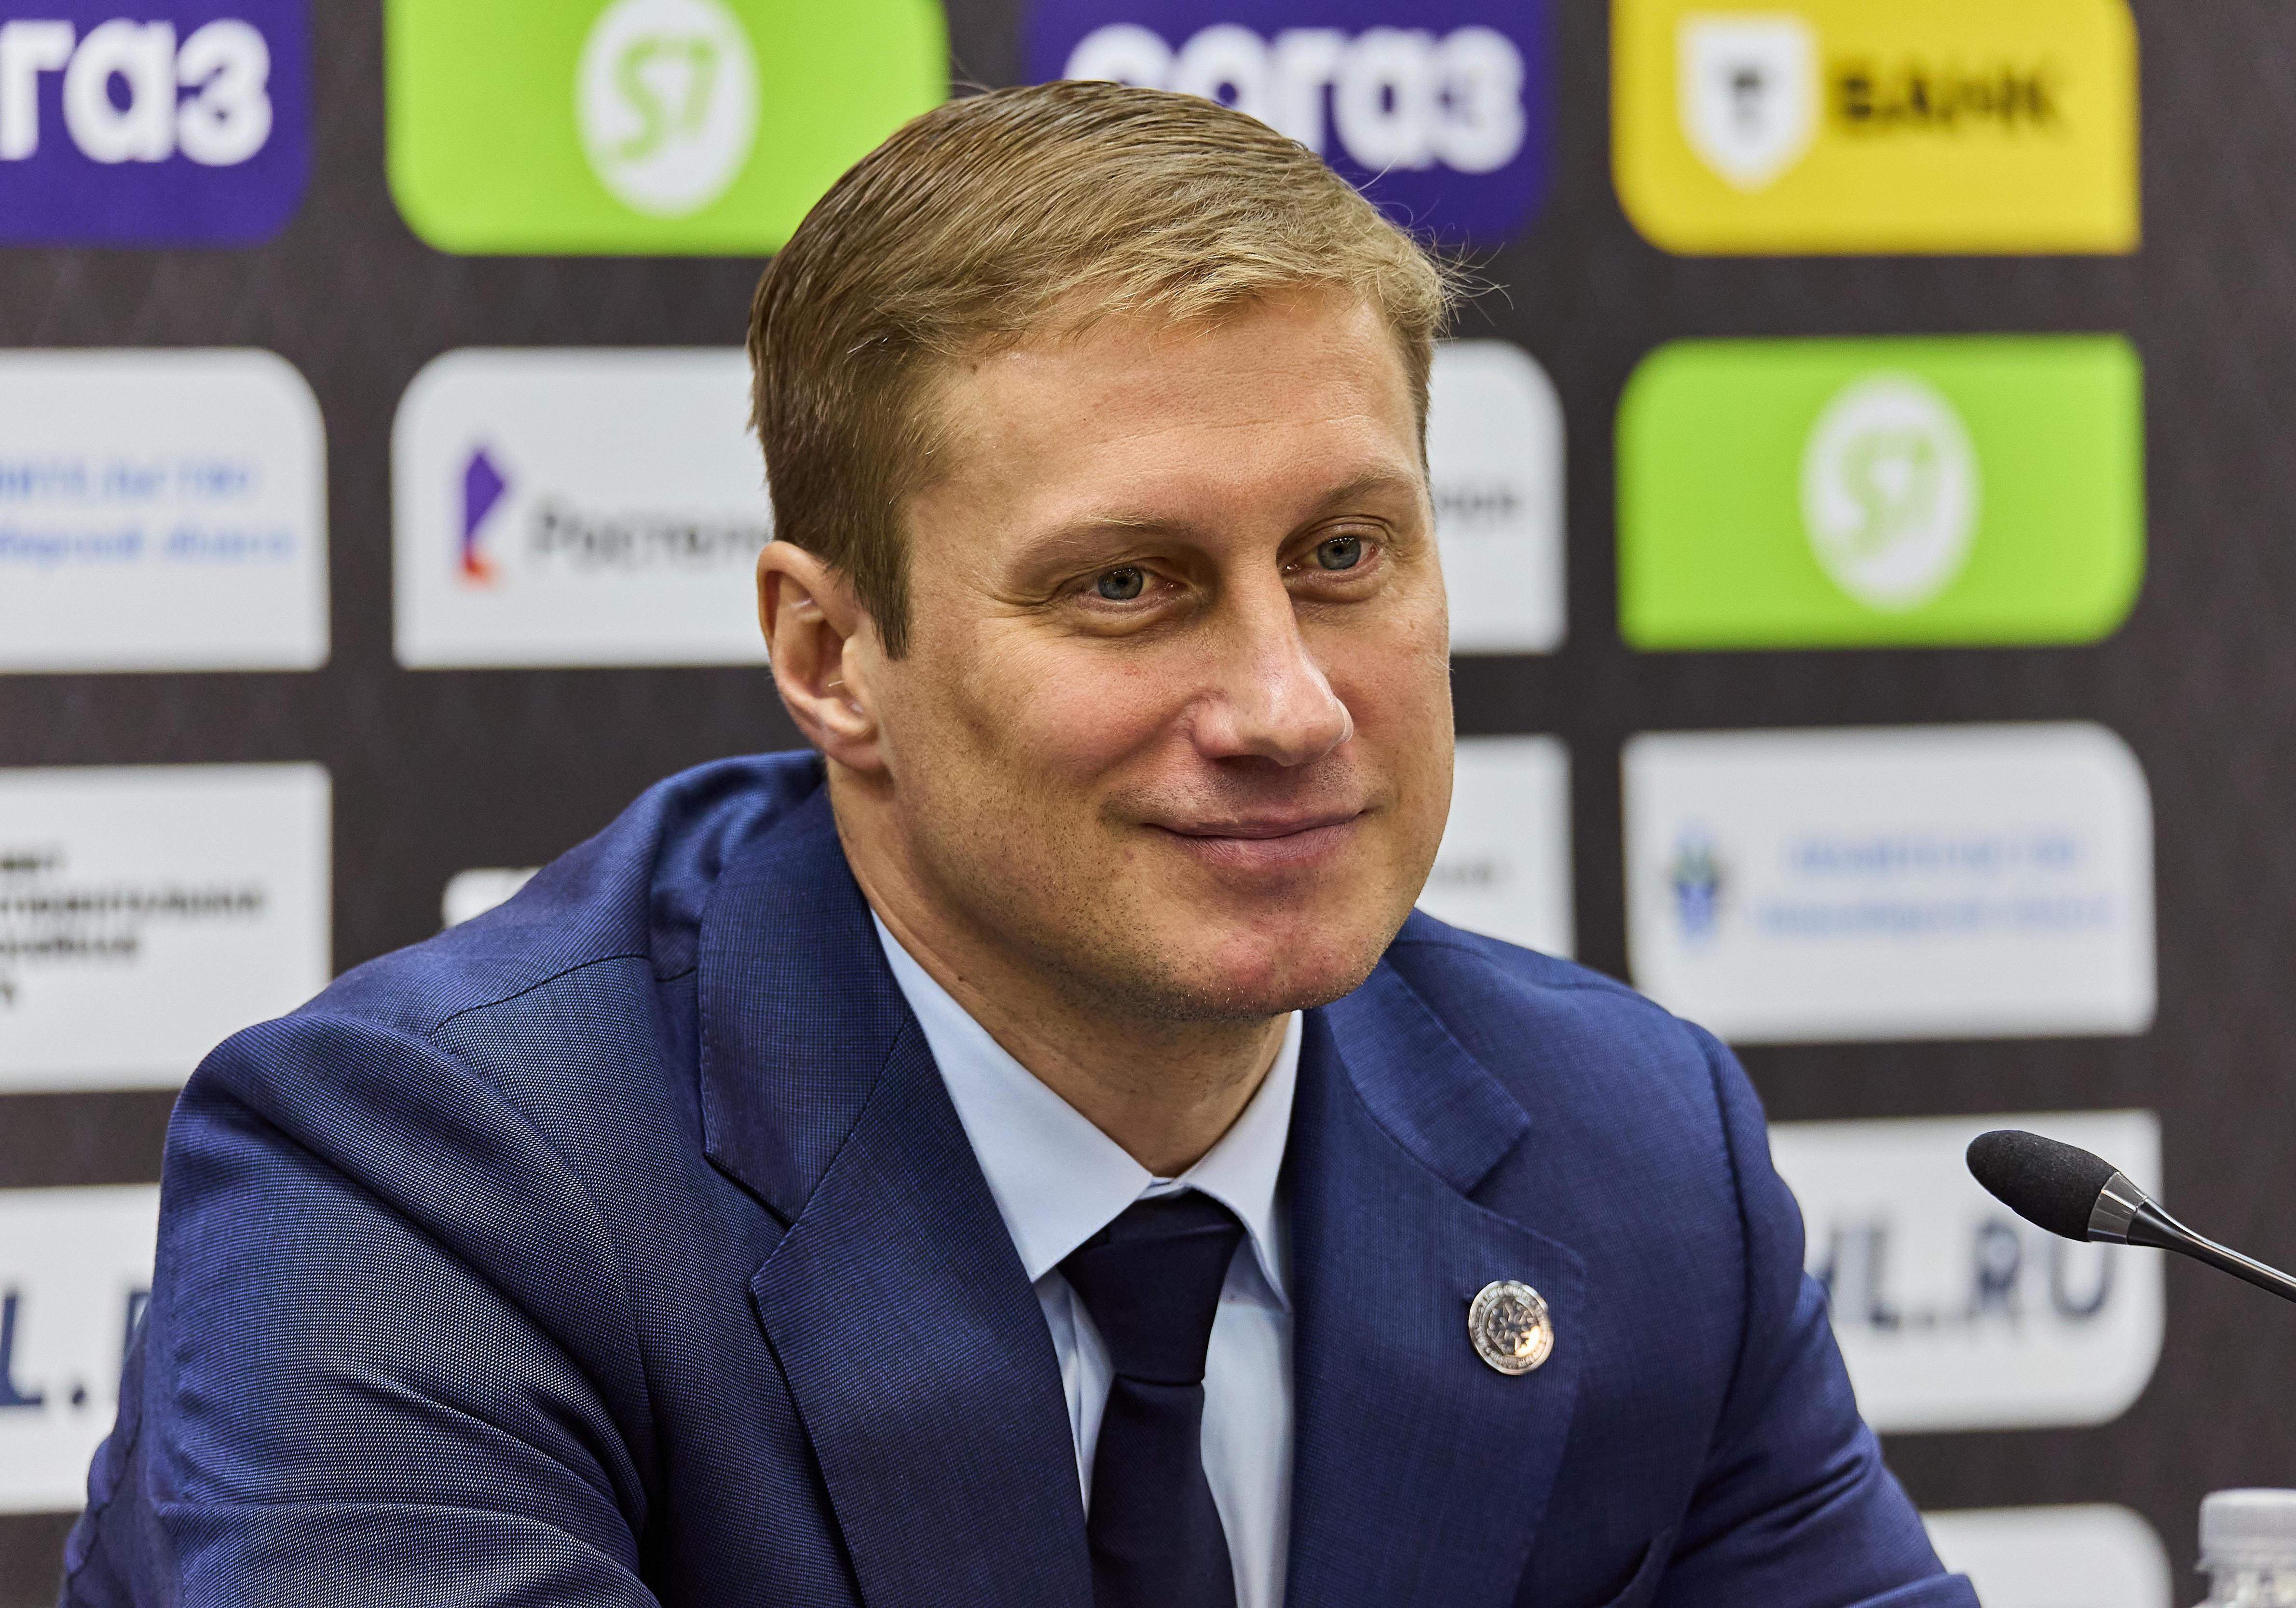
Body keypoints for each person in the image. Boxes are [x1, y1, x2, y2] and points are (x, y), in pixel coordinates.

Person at [60, 82, 1974, 1608]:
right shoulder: (430, 1186)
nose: (1289, 705)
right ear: (833, 659)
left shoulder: (1636, 1152)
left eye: (1343, 555)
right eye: (1126, 585)